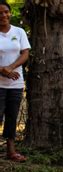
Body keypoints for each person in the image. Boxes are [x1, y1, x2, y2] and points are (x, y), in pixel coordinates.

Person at [0, 0, 29, 162]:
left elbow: (25, 53)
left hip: (15, 83)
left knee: (12, 116)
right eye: (0, 13)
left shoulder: (19, 32)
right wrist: (2, 70)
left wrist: (10, 68)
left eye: (6, 12)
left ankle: (11, 151)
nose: (3, 15)